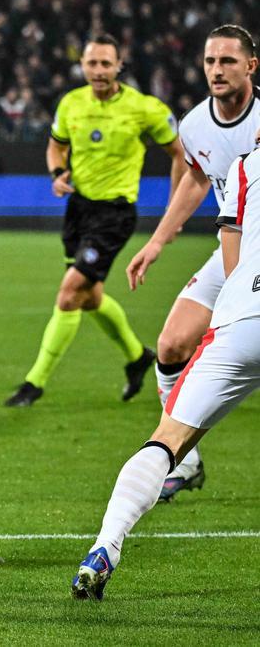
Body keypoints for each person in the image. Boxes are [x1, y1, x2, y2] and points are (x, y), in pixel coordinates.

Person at [72, 147, 259, 600]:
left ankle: (104, 548)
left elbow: (231, 258)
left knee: (167, 439)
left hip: (240, 322)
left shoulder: (245, 164)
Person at [5, 35, 185, 407]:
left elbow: (179, 154)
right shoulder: (71, 103)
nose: (99, 71)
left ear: (119, 65)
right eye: (93, 64)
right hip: (79, 211)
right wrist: (57, 172)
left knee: (70, 292)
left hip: (115, 215)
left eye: (106, 64)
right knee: (91, 297)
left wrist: (174, 208)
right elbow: (56, 144)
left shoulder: (145, 108)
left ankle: (33, 383)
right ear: (83, 66)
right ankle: (138, 359)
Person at [125, 25, 260, 501]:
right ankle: (185, 460)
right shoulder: (196, 124)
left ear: (251, 65)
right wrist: (158, 241)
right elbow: (197, 180)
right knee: (171, 342)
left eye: (227, 60)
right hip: (233, 248)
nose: (217, 70)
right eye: (210, 62)